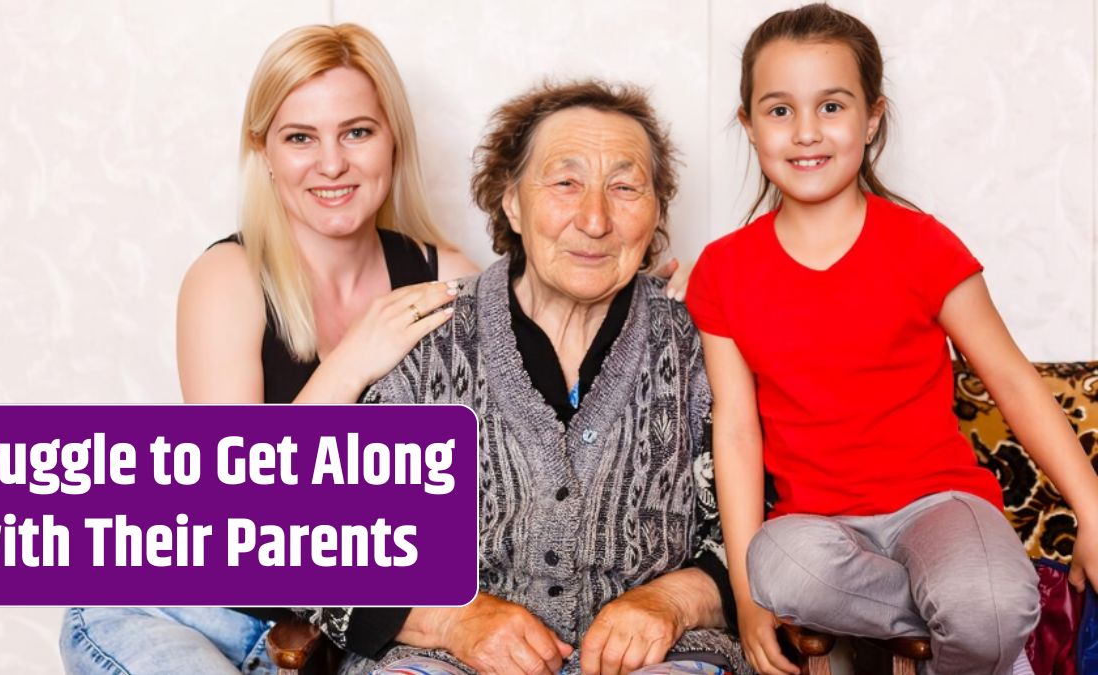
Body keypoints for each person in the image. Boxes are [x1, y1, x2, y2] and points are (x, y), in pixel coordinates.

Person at [686, 5, 1098, 675]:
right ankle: (980, 624)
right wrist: (745, 595)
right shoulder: (726, 270)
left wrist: (1093, 508)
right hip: (817, 532)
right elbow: (735, 432)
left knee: (985, 602)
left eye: (833, 105)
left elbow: (1014, 382)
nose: (807, 132)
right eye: (780, 110)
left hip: (940, 505)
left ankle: (981, 620)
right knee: (774, 566)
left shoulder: (921, 245)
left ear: (873, 116)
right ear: (748, 124)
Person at [61, 23, 478, 675]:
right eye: (300, 138)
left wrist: (626, 300)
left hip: (349, 643)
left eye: (358, 132)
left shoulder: (443, 275)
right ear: (263, 151)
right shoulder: (228, 278)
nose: (332, 163)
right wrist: (349, 365)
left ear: (394, 139)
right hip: (187, 612)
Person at [302, 80, 749, 675]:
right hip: (440, 658)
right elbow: (310, 549)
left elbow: (763, 534)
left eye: (624, 187)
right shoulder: (421, 337)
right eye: (565, 183)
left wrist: (672, 601)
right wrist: (451, 618)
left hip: (663, 657)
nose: (594, 219)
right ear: (511, 201)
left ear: (658, 210)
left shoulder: (701, 341)